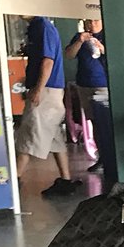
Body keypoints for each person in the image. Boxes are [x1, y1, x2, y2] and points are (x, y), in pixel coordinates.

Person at [16, 14, 80, 198]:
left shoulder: (42, 26)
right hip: (51, 91)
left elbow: (48, 61)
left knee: (28, 134)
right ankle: (65, 181)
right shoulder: (38, 26)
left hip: (46, 91)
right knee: (54, 138)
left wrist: (37, 88)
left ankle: (13, 181)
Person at [65, 19, 107, 173]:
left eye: (95, 20)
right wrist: (80, 41)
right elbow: (69, 55)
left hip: (103, 85)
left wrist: (101, 48)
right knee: (94, 122)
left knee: (106, 122)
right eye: (89, 21)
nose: (92, 23)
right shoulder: (80, 36)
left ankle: (110, 157)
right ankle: (101, 157)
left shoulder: (107, 35)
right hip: (84, 84)